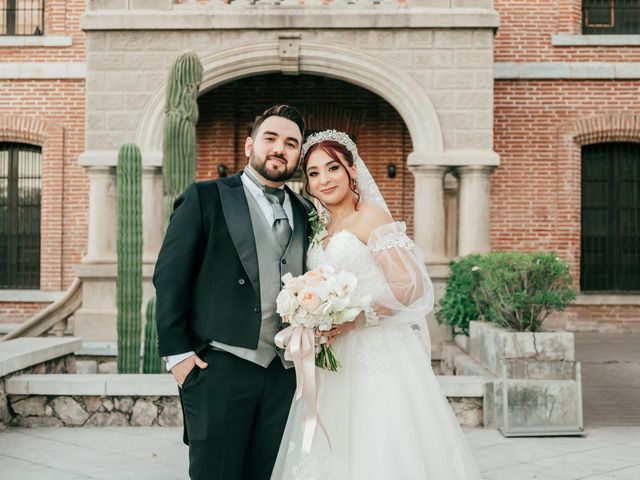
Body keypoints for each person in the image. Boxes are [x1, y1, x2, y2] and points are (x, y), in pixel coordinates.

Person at [271, 130, 483, 480]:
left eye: (332, 168)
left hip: (376, 353)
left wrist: (352, 319)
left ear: (352, 171)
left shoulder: (371, 218)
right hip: (332, 360)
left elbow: (410, 287)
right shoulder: (319, 229)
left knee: (379, 445)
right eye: (313, 173)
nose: (324, 179)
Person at [153, 105, 314, 480]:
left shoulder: (307, 211)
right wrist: (179, 358)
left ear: (298, 155)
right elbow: (170, 276)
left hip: (283, 372)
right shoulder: (205, 197)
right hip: (218, 367)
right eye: (270, 138)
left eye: (291, 143)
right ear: (249, 145)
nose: (280, 149)